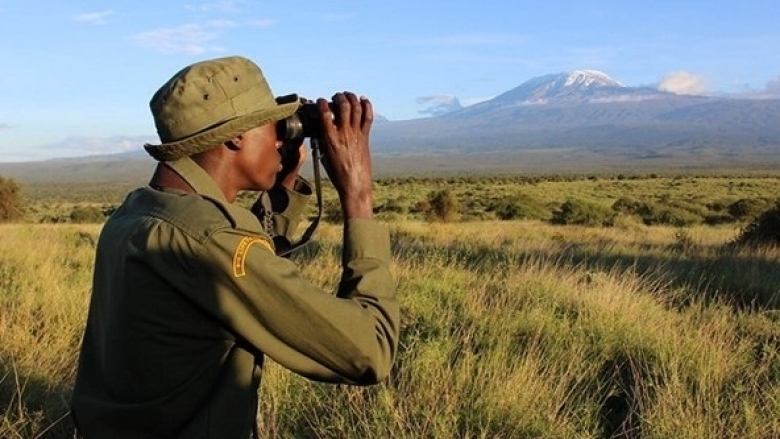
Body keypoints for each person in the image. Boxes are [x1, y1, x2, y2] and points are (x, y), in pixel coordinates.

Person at [70, 55, 400, 439]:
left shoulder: (135, 213)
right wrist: (358, 196)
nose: (282, 139)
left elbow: (232, 265)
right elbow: (370, 351)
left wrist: (284, 188)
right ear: (236, 135)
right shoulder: (208, 242)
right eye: (274, 126)